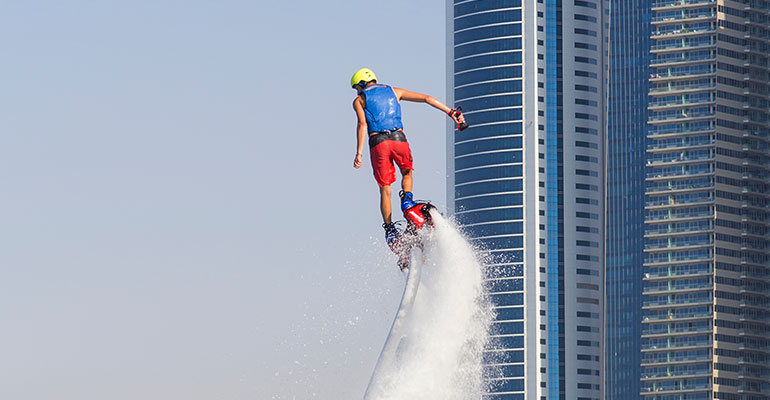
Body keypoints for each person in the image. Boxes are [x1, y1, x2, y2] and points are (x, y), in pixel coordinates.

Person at [350, 68, 465, 247]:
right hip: (398, 139)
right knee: (407, 173)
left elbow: (362, 124)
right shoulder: (394, 91)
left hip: (378, 143)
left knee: (385, 188)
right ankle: (408, 204)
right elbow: (427, 99)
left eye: (356, 87)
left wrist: (359, 153)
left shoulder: (359, 100)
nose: (357, 91)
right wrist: (451, 112)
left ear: (361, 84)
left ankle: (390, 231)